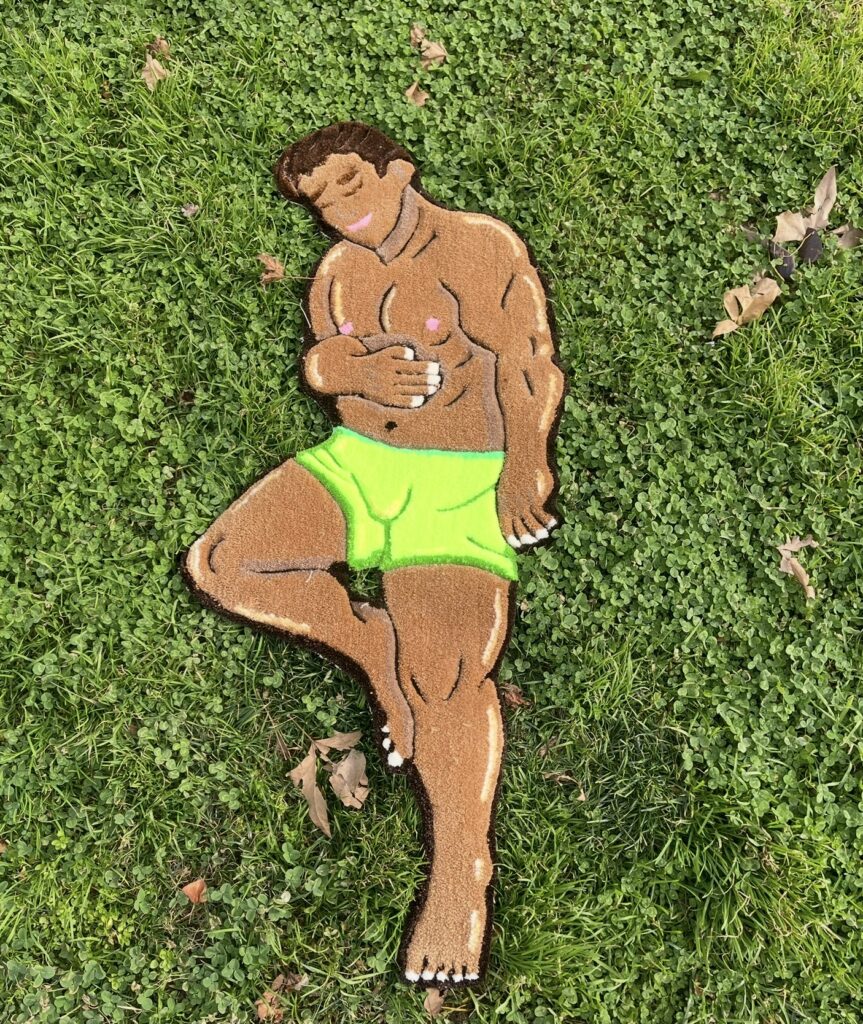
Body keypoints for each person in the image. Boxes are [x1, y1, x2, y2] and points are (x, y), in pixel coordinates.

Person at [183, 121, 565, 986]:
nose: (340, 211)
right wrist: (341, 372)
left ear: (400, 172)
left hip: (455, 482)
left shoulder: (477, 246)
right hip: (359, 463)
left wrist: (525, 466)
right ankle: (370, 645)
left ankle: (460, 874)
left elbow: (527, 361)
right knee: (223, 562)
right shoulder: (338, 272)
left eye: (352, 185)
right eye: (323, 202)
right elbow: (322, 363)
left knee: (446, 681)